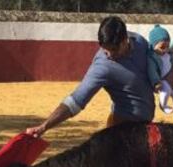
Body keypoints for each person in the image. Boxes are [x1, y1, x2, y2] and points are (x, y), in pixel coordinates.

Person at [26, 16, 155, 138]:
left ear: (125, 40)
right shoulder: (103, 66)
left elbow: (159, 63)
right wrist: (44, 126)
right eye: (105, 49)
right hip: (121, 131)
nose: (109, 54)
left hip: (146, 128)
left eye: (113, 49)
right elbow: (76, 101)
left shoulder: (139, 42)